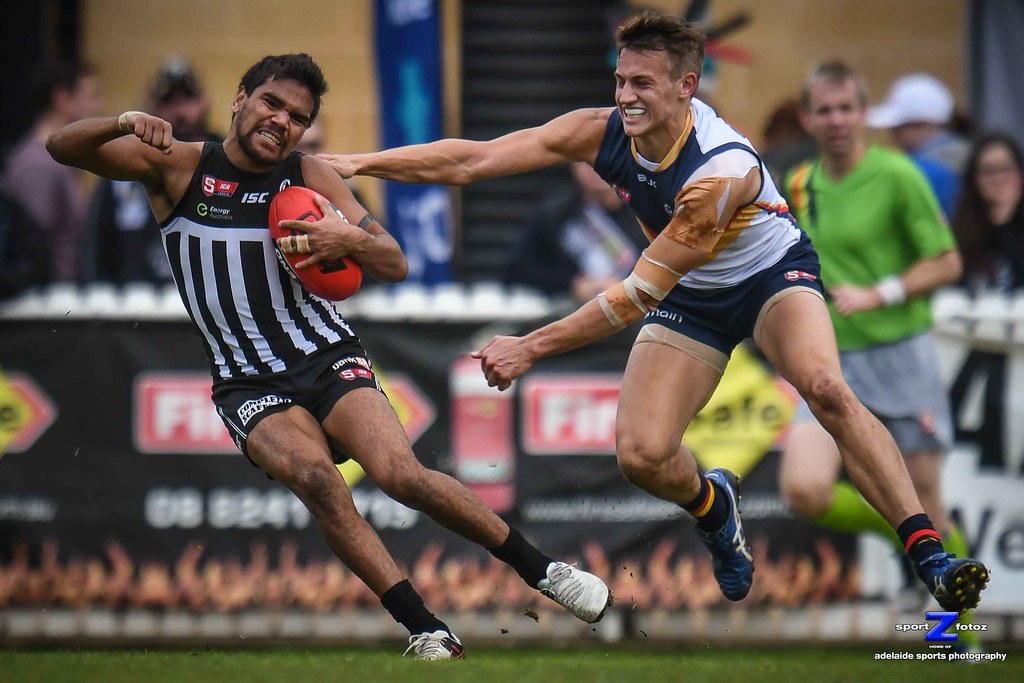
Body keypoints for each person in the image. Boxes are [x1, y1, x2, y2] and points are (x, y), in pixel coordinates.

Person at [315, 10, 990, 614]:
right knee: (641, 455)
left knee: (825, 387)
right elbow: (473, 160)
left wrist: (531, 346)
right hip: (694, 294)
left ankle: (927, 548)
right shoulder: (600, 131)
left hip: (769, 275)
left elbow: (635, 295)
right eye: (621, 80)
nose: (626, 96)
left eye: (643, 84)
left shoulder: (717, 172)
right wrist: (359, 160)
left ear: (686, 88)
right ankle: (714, 504)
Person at [46, 52, 610, 660]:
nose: (280, 121)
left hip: (325, 354)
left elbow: (394, 261)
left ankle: (545, 571)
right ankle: (426, 629)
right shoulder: (180, 165)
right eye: (271, 104)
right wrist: (122, 121)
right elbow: (61, 146)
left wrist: (350, 238)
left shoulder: (309, 175)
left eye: (297, 116)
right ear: (239, 99)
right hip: (246, 379)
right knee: (319, 482)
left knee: (402, 476)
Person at [782, 61, 982, 648]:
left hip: (902, 355)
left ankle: (953, 637)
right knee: (804, 489)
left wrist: (881, 292)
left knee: (927, 496)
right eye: (825, 110)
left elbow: (948, 262)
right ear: (807, 118)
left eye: (847, 108)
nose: (837, 120)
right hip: (829, 365)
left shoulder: (899, 175)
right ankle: (914, 538)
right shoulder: (797, 183)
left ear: (865, 115)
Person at [85, 59, 222, 285]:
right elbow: (97, 240)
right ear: (152, 106)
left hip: (208, 299)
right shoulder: (126, 163)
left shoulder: (223, 159)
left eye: (188, 98)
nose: (180, 111)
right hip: (135, 301)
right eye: (168, 100)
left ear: (204, 101)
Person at [1, 61, 102, 286]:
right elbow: (32, 248)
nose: (98, 107)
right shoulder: (37, 164)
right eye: (91, 96)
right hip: (46, 303)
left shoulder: (59, 161)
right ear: (62, 99)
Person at [502, 161, 647, 303]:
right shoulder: (555, 214)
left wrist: (628, 285)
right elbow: (518, 268)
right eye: (585, 161)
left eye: (605, 160)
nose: (596, 167)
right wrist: (572, 284)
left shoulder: (649, 212)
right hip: (571, 313)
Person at [867, 73, 969, 218]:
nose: (892, 134)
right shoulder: (973, 154)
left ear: (920, 124)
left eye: (898, 127)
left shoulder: (919, 170)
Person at [951, 132, 1024, 294]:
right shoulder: (960, 230)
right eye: (988, 171)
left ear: (1020, 175)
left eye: (1005, 169)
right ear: (974, 178)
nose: (997, 179)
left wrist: (1003, 224)